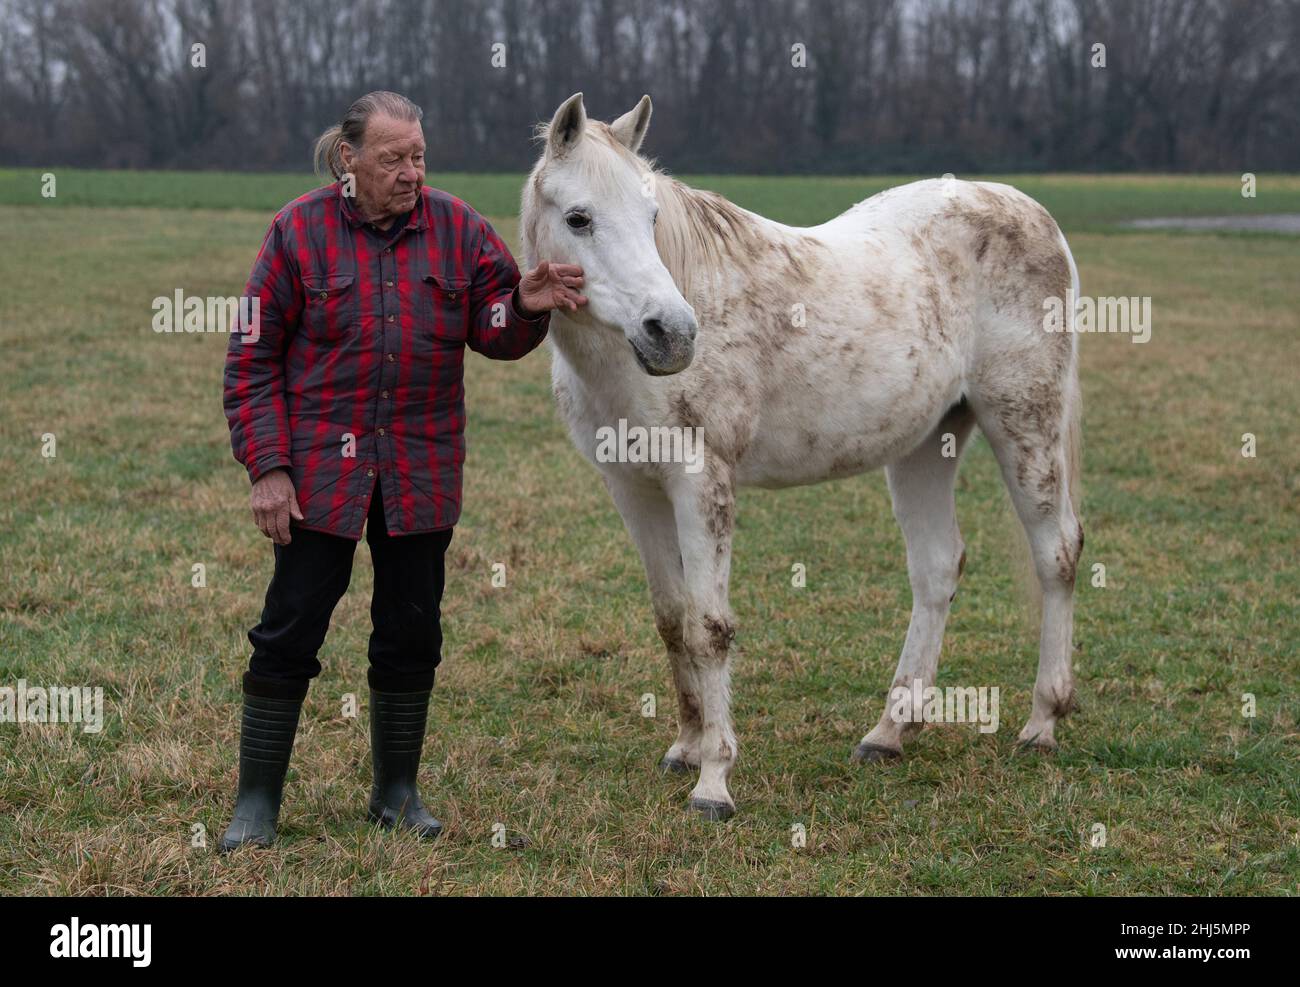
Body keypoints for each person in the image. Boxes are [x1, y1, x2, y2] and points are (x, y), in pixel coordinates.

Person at [219, 91, 586, 851]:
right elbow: (251, 361)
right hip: (320, 476)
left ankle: (396, 791)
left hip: (420, 471)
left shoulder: (455, 228)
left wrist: (521, 300)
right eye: (394, 159)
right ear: (349, 159)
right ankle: (256, 803)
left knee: (412, 631)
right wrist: (269, 468)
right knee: (288, 631)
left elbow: (491, 330)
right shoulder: (296, 232)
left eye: (419, 156)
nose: (412, 172)